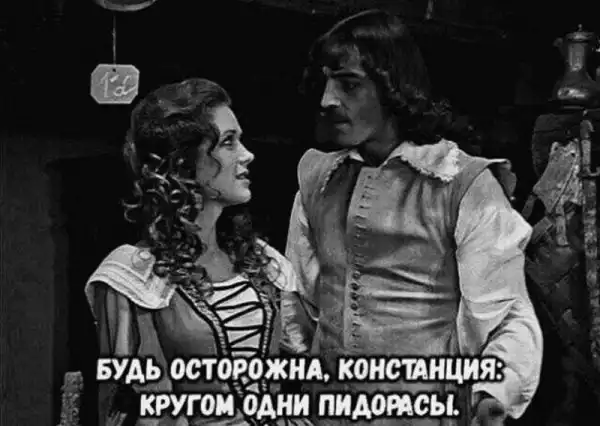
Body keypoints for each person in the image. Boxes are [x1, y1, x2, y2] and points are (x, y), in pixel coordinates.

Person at [281, 9, 543, 426]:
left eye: (349, 84)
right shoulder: (318, 178)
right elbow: (300, 296)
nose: (328, 100)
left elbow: (507, 315)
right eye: (326, 83)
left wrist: (492, 396)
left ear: (392, 87)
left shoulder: (460, 183)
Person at [85, 78, 313, 426]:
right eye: (228, 142)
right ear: (185, 161)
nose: (247, 155)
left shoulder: (259, 260)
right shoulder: (135, 275)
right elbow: (139, 408)